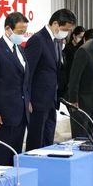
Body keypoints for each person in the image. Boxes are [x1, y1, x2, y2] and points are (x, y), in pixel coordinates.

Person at [25, 8, 77, 150]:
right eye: (65, 29)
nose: (66, 33)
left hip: (51, 100)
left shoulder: (56, 41)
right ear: (55, 24)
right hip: (37, 100)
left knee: (48, 137)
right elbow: (28, 73)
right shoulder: (37, 40)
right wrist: (27, 99)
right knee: (36, 139)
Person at [0, 12, 29, 166]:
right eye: (20, 32)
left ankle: (13, 184)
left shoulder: (21, 50)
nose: (22, 35)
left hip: (21, 111)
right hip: (4, 112)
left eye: (24, 32)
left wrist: (27, 100)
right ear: (8, 29)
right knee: (4, 153)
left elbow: (24, 80)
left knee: (16, 153)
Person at [61, 26, 85, 97]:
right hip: (68, 79)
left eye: (82, 38)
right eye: (80, 37)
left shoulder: (82, 49)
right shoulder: (66, 48)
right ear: (74, 36)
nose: (81, 40)